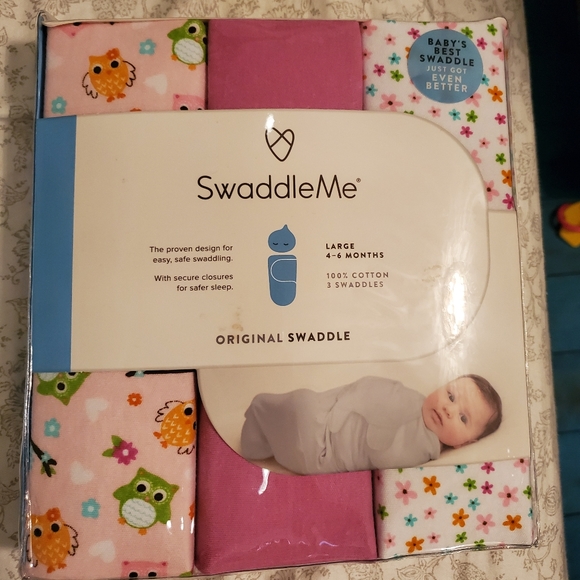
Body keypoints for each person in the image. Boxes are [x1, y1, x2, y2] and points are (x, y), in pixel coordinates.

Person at [240, 375, 502, 475]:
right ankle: (260, 430)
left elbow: (382, 453)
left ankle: (256, 437)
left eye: (463, 418)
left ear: (466, 443)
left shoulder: (426, 447)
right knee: (302, 402)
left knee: (299, 408)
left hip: (324, 449)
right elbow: (370, 388)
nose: (448, 409)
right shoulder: (415, 399)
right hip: (328, 414)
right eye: (451, 396)